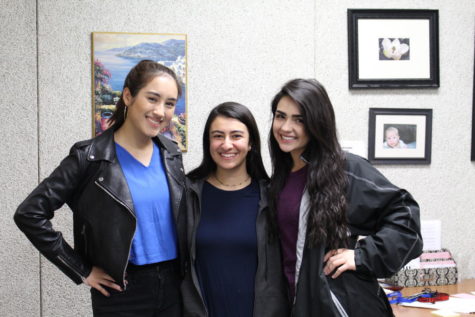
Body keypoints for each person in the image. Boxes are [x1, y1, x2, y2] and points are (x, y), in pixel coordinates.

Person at [14, 60, 187, 316]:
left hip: (176, 285)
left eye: (170, 103)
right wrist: (81, 269)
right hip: (123, 292)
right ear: (128, 96)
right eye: (152, 99)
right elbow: (29, 213)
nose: (161, 111)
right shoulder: (89, 157)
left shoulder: (170, 153)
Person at [268, 79, 423, 316]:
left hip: (340, 306)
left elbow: (406, 222)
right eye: (280, 116)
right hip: (296, 304)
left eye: (299, 119)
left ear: (317, 122)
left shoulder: (344, 170)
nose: (286, 127)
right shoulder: (280, 176)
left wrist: (361, 256)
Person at [181, 102, 289, 317]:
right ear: (208, 142)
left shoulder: (272, 196)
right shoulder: (188, 193)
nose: (226, 144)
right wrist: (93, 266)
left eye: (236, 136)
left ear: (251, 144)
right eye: (218, 136)